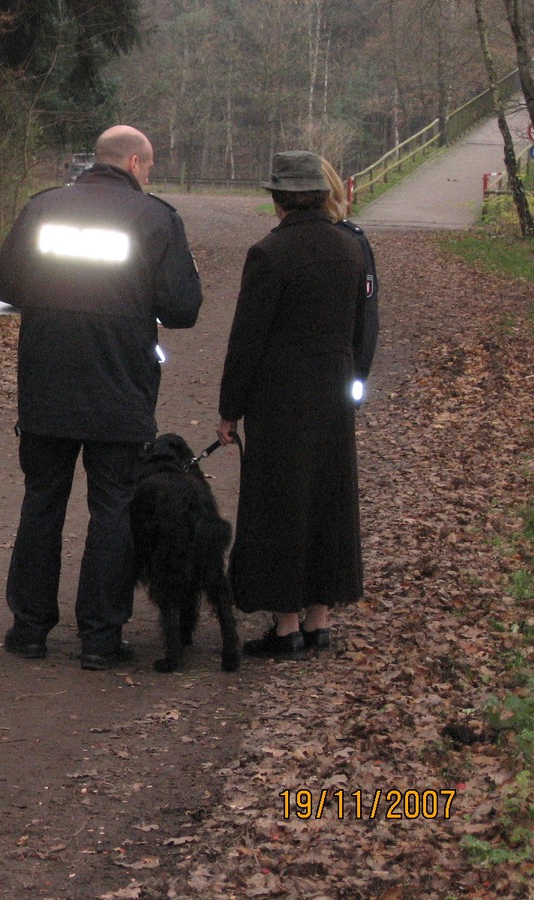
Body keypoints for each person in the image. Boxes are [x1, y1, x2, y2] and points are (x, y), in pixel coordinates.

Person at [0, 125, 204, 671]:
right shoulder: (156, 218)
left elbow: (7, 284)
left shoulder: (44, 208)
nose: (149, 175)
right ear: (135, 163)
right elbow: (182, 308)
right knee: (112, 508)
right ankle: (100, 637)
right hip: (121, 386)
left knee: (42, 501)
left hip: (47, 383)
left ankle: (30, 629)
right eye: (149, 167)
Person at [215, 150, 373, 659]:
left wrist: (229, 409)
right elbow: (361, 326)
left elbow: (248, 340)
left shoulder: (270, 254)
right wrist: (354, 378)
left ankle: (286, 627)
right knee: (330, 498)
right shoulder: (351, 250)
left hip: (280, 397)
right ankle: (320, 620)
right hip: (332, 391)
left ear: (278, 198)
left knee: (280, 504)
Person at [321, 157, 380, 406]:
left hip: (338, 373)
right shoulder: (278, 246)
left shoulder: (354, 242)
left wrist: (357, 375)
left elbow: (366, 315)